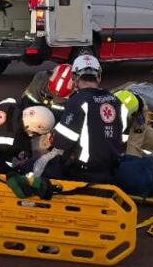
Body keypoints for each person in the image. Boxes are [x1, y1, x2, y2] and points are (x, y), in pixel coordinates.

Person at [47, 54, 128, 184]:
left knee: (39, 167)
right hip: (111, 169)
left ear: (74, 77)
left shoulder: (78, 101)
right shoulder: (116, 101)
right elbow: (123, 138)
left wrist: (51, 137)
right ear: (99, 76)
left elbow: (63, 141)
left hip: (82, 172)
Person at [114, 89, 153, 157]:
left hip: (135, 114)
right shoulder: (103, 106)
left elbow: (135, 143)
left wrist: (131, 162)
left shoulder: (139, 110)